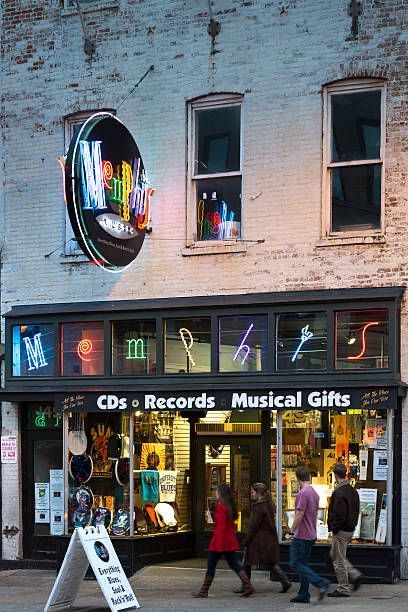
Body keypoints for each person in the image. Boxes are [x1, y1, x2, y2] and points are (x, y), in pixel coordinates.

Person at [192, 484, 254, 598]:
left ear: (221, 494)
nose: (215, 494)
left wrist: (218, 545)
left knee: (211, 565)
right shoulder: (230, 507)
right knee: (234, 564)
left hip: (219, 541)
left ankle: (204, 590)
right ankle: (248, 585)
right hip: (229, 541)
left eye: (216, 492)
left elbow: (220, 527)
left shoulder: (221, 507)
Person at [233, 482, 292, 594]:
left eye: (252, 492)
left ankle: (246, 585)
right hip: (267, 539)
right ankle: (285, 581)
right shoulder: (268, 504)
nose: (251, 494)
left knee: (247, 562)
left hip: (258, 540)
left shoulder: (259, 506)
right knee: (269, 562)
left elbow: (254, 525)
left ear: (258, 494)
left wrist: (246, 540)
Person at [288, 466, 330, 603]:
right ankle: (303, 594)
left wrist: (291, 531)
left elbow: (299, 514)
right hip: (311, 533)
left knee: (295, 563)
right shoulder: (314, 492)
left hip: (302, 535)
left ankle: (320, 582)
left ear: (297, 478)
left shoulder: (302, 493)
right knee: (303, 564)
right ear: (309, 477)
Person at [327, 463, 362, 597]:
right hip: (349, 528)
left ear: (335, 475)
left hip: (341, 530)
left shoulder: (339, 492)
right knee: (334, 554)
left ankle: (343, 588)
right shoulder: (352, 491)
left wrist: (334, 528)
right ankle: (354, 575)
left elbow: (339, 514)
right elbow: (356, 510)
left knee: (338, 560)